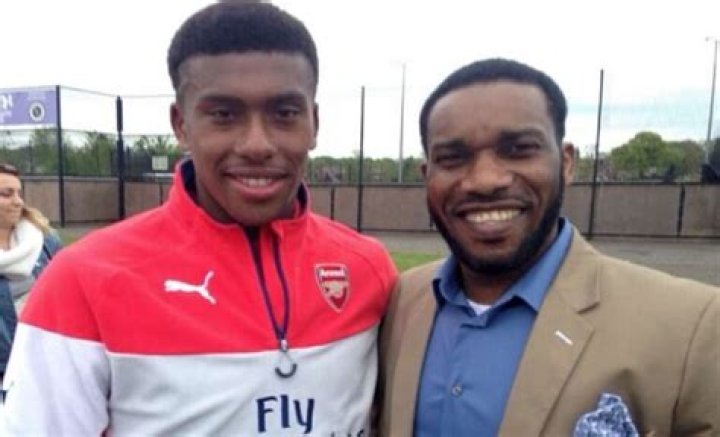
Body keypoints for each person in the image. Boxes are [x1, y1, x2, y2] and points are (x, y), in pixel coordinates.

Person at [2, 3, 397, 435]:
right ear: (181, 124)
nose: (257, 144)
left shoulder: (369, 271)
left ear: (314, 123)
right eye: (224, 115)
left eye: (284, 113)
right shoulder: (81, 280)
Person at [377, 58, 719, 436]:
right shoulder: (401, 301)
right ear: (427, 176)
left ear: (566, 163)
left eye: (518, 149)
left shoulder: (692, 328)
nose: (485, 180)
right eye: (453, 158)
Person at [0, 163, 62, 382]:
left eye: (19, 193)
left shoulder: (43, 240)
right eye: (6, 194)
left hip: (43, 359)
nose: (18, 201)